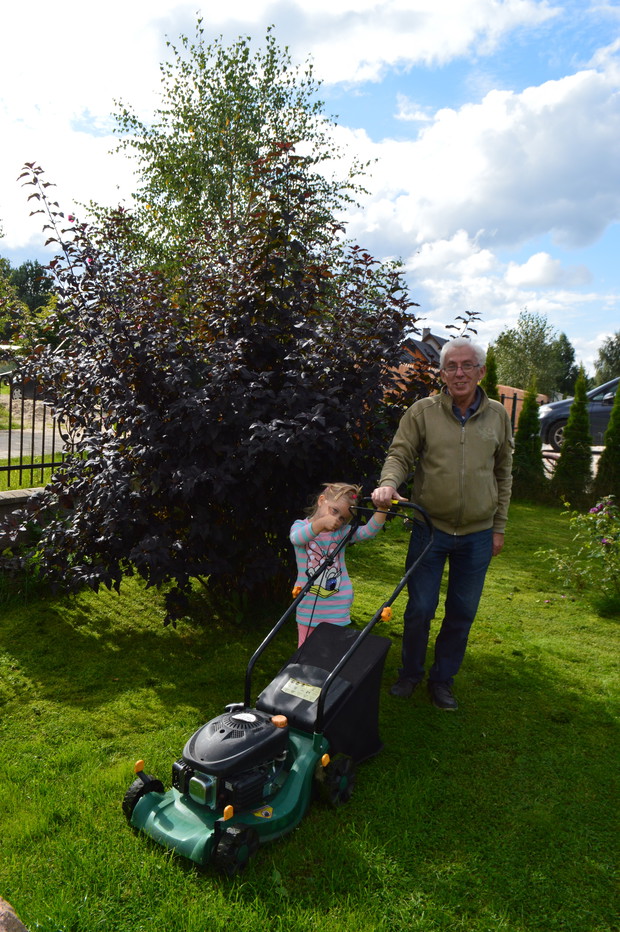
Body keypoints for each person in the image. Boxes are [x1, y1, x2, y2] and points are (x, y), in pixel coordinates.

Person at [371, 337, 513, 711]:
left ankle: (442, 680)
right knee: (419, 607)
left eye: (467, 365)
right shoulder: (422, 412)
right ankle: (410, 673)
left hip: (478, 534)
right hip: (430, 529)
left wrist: (499, 527)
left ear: (481, 371)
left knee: (462, 611)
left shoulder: (498, 415)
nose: (459, 373)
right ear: (442, 372)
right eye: (451, 366)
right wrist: (389, 483)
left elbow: (504, 473)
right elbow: (399, 453)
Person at [290, 482, 388, 647]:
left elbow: (369, 531)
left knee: (332, 655)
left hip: (337, 607)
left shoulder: (341, 533)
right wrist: (320, 524)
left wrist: (383, 508)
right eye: (334, 511)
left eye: (342, 518)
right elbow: (297, 538)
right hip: (308, 608)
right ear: (321, 501)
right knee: (306, 654)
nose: (336, 520)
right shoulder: (300, 526)